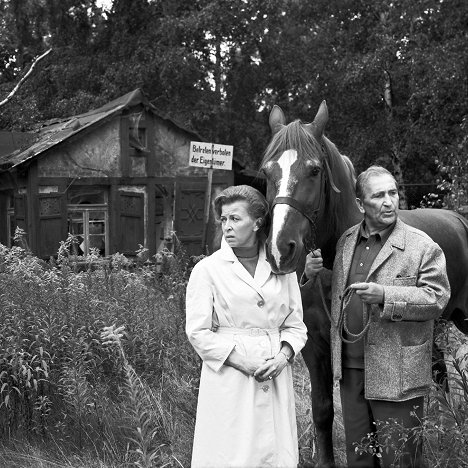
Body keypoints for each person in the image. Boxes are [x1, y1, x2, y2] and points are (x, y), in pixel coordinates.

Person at [303, 166, 450, 468]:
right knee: (359, 458)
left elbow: (436, 297)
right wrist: (310, 275)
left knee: (401, 459)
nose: (389, 202)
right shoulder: (346, 242)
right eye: (379, 195)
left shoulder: (421, 245)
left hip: (397, 371)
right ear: (360, 204)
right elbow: (339, 294)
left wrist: (386, 296)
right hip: (350, 370)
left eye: (393, 193)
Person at [186, 185, 307, 468]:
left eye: (235, 219)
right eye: (224, 219)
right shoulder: (208, 270)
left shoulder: (282, 267)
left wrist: (282, 357)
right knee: (231, 450)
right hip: (230, 374)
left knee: (275, 450)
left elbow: (296, 326)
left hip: (274, 371)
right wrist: (243, 363)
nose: (227, 226)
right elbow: (197, 332)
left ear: (257, 222)